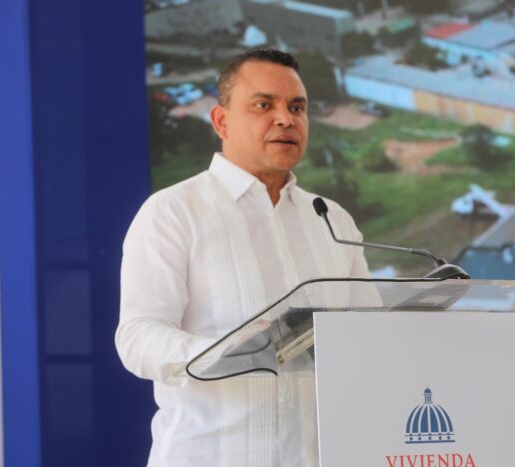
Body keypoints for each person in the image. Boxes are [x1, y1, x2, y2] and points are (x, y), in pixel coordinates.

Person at [116, 48, 371, 467]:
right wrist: (228, 352)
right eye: (263, 105)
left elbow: (371, 340)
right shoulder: (174, 211)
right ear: (221, 121)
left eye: (297, 107)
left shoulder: (331, 220)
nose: (285, 119)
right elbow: (137, 337)